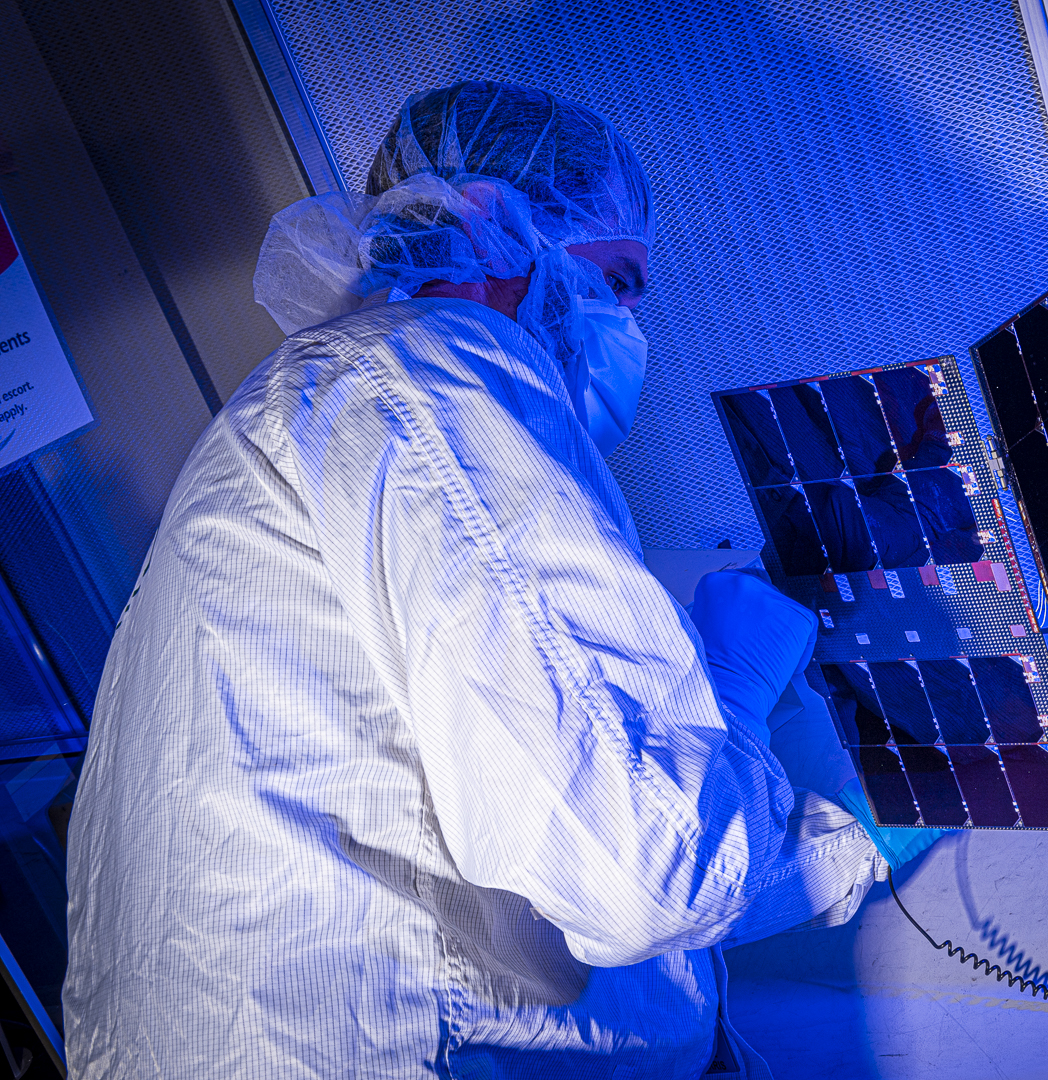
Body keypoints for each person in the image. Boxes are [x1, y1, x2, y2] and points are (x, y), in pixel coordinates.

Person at [61, 81, 932, 1079]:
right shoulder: (432, 370)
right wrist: (840, 823)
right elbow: (643, 870)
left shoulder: (321, 406)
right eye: (615, 280)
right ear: (497, 230)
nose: (630, 324)